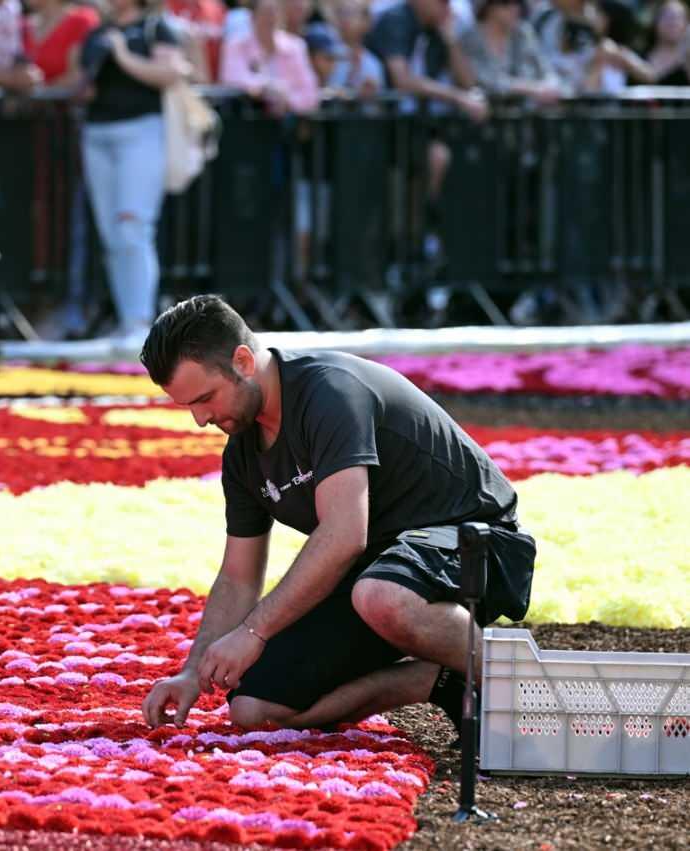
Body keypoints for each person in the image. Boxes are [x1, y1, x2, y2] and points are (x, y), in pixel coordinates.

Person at [139, 294, 537, 736]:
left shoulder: (329, 392)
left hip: (478, 542)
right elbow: (238, 576)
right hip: (381, 570)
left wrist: (253, 632)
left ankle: (525, 689)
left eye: (205, 398)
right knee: (253, 710)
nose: (199, 419)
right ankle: (437, 680)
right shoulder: (242, 455)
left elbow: (347, 534)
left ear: (243, 361)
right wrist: (193, 672)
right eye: (187, 406)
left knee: (382, 595)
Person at [78, 0, 190, 341]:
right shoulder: (97, 31)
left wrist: (123, 55)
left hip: (141, 133)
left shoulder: (157, 27)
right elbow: (84, 86)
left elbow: (169, 74)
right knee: (112, 237)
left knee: (133, 228)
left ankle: (140, 323)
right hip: (97, 135)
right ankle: (128, 320)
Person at [219, 0, 321, 115]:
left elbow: (310, 93)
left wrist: (288, 100)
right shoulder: (236, 46)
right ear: (252, 17)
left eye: (274, 12)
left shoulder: (295, 46)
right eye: (265, 13)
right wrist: (265, 88)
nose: (270, 19)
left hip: (289, 123)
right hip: (247, 121)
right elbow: (232, 77)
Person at [455, 0, 563, 102]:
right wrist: (532, 89)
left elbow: (545, 69)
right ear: (490, 7)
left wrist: (551, 86)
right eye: (506, 3)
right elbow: (485, 81)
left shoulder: (522, 33)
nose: (514, 8)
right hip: (485, 110)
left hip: (525, 110)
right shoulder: (471, 38)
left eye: (518, 2)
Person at [645, 0, 689, 86]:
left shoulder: (687, 60)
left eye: (678, 18)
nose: (673, 23)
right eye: (667, 17)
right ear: (656, 21)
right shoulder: (640, 54)